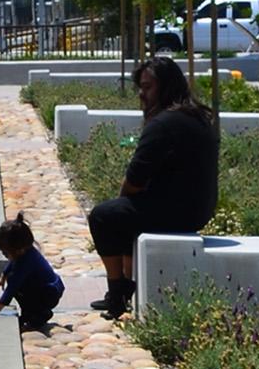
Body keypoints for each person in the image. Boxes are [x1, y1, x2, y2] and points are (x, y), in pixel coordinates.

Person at [86, 55, 220, 319]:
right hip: (198, 209)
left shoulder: (163, 124)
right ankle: (125, 287)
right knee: (125, 214)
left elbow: (134, 180)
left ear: (166, 87)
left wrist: (121, 202)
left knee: (104, 216)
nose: (141, 94)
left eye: (148, 87)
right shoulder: (197, 116)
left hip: (176, 212)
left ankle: (117, 294)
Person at [0, 213, 64, 333]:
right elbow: (12, 264)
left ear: (19, 249)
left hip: (48, 293)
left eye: (6, 252)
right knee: (20, 288)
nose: (4, 254)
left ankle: (40, 316)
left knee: (18, 288)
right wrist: (3, 277)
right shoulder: (25, 253)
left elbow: (13, 286)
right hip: (48, 287)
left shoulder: (27, 261)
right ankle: (28, 314)